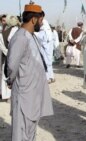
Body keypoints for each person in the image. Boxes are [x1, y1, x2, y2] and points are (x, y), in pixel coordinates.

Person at [5, 3, 54, 141]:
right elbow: (12, 66)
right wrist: (10, 80)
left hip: (32, 96)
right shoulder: (20, 37)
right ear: (33, 19)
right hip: (24, 95)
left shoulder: (31, 36)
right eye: (40, 20)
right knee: (21, 134)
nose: (42, 22)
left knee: (29, 133)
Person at [35, 16, 55, 83]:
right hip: (48, 46)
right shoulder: (48, 30)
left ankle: (48, 78)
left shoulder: (43, 29)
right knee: (49, 62)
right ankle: (51, 76)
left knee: (46, 62)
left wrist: (34, 33)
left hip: (45, 47)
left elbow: (41, 37)